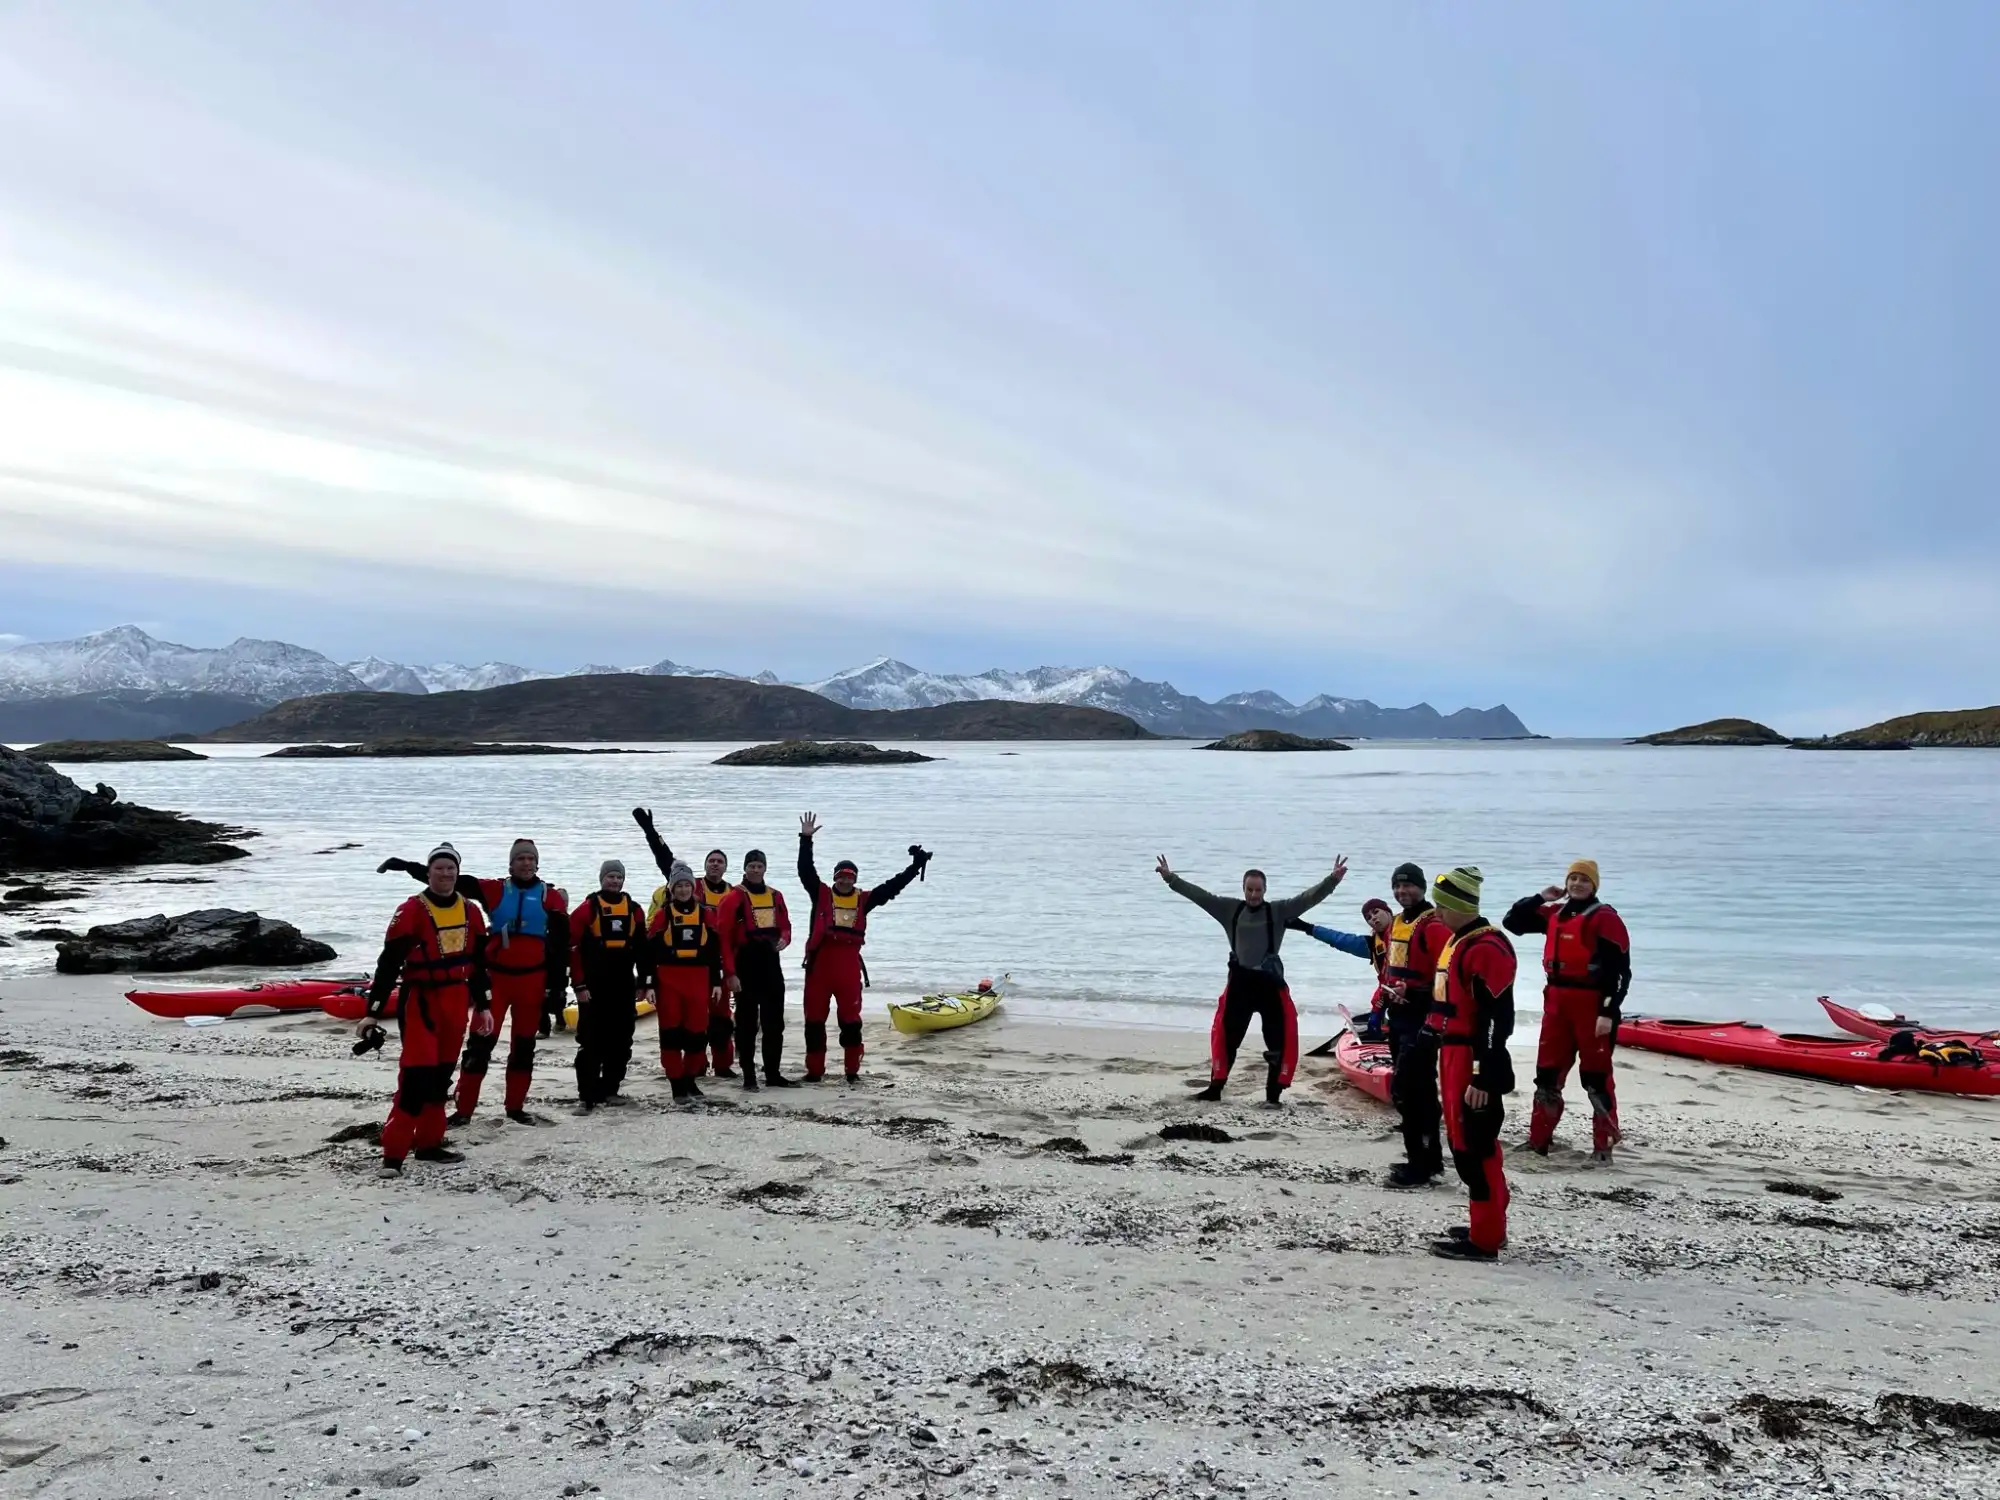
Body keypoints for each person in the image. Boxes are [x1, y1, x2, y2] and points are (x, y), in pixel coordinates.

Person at [1156, 852, 1348, 1104]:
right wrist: (1171, 879)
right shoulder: (1229, 910)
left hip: (1269, 985)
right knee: (1227, 1038)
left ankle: (1273, 1097)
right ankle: (1214, 1090)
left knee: (1277, 1042)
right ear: (1243, 889)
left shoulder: (1278, 911)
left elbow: (1308, 898)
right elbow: (1199, 896)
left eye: (1258, 890)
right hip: (1240, 984)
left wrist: (1332, 880)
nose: (1254, 895)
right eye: (1249, 890)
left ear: (1265, 890)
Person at [359, 842, 492, 1176]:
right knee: (416, 1077)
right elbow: (388, 963)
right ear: (428, 872)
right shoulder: (412, 911)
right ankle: (393, 1156)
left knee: (441, 1076)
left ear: (457, 872)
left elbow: (477, 964)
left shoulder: (471, 911)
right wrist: (372, 1010)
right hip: (420, 1000)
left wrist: (484, 1006)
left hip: (456, 999)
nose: (446, 873)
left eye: (451, 868)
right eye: (439, 868)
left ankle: (430, 1145)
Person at [1503, 859, 1632, 1161]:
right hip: (1556, 1003)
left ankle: (1603, 1147)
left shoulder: (1605, 918)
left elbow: (1621, 971)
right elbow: (1513, 922)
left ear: (1594, 885)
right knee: (1547, 1074)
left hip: (1591, 1004)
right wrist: (1540, 898)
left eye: (1583, 880)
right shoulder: (1554, 913)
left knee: (1596, 1078)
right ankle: (1539, 1142)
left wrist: (1608, 1012)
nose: (1577, 884)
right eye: (1572, 878)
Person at [1423, 867, 1517, 1262]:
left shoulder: (1485, 949)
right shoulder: (1462, 940)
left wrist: (1483, 1074)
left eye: (1442, 906)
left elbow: (1496, 1019)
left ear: (1461, 906)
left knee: (1472, 1149)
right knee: (1469, 1144)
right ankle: (1489, 1225)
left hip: (1471, 1058)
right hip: (1453, 1052)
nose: (1437, 914)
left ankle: (1485, 1241)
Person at [796, 812, 931, 1083]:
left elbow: (892, 887)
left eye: (850, 877)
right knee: (814, 1022)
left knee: (851, 1022)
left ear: (855, 879)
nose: (845, 880)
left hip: (847, 970)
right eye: (841, 876)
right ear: (835, 878)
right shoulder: (821, 894)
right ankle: (814, 1071)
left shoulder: (864, 900)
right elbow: (805, 870)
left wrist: (915, 866)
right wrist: (806, 839)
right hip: (819, 968)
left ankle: (852, 1072)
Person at [633, 808, 738, 1078]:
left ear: (726, 866)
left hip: (717, 965)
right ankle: (697, 1068)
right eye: (711, 861)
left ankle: (724, 1066)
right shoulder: (691, 887)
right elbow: (665, 860)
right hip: (687, 969)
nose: (715, 865)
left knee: (722, 1020)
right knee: (693, 1022)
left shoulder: (734, 894)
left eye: (719, 861)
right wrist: (650, 832)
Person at [1380, 863, 1450, 1189]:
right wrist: (1382, 996)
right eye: (1397, 887)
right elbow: (1390, 968)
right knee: (1416, 1089)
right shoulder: (1396, 922)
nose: (1402, 892)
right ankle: (1426, 1160)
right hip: (1399, 1016)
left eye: (1408, 886)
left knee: (1409, 1090)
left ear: (1422, 888)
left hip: (1423, 1019)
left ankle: (1421, 1165)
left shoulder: (1433, 924)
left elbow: (1447, 974)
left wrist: (1419, 993)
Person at [568, 858, 650, 1110]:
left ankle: (610, 1088)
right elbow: (572, 950)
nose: (614, 881)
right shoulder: (587, 909)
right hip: (593, 986)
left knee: (622, 1039)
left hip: (623, 983)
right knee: (591, 1040)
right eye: (610, 876)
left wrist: (644, 982)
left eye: (618, 877)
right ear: (601, 878)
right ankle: (587, 1095)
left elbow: (642, 950)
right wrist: (579, 986)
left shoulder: (634, 910)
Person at [645, 860, 725, 1102]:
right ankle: (676, 1084)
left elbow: (713, 951)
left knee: (697, 1033)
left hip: (698, 979)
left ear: (693, 888)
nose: (683, 890)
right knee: (670, 1034)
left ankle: (690, 1079)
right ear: (671, 889)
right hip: (669, 978)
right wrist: (648, 984)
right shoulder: (663, 915)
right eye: (678, 885)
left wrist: (717, 981)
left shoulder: (706, 915)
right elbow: (648, 951)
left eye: (686, 885)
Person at [716, 848, 794, 1089]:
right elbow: (724, 939)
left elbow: (786, 926)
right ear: (745, 868)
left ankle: (773, 1074)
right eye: (752, 866)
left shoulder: (776, 896)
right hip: (745, 965)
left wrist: (785, 938)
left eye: (759, 866)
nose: (755, 869)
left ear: (765, 868)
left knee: (774, 1023)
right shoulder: (733, 898)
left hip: (771, 964)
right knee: (747, 1024)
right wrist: (730, 973)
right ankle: (749, 1075)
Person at [1294, 897, 1395, 1046]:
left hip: (1415, 995)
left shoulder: (1406, 932)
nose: (1373, 918)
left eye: (1376, 912)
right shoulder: (1373, 945)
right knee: (1376, 1020)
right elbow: (1340, 939)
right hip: (1389, 993)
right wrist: (1307, 928)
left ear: (1388, 912)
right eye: (1368, 917)